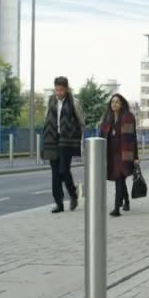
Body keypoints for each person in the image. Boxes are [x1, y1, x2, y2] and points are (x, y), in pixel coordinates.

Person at [42, 76, 84, 213]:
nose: (58, 93)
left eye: (61, 90)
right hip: (52, 139)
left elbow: (81, 121)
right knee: (55, 173)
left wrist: (78, 137)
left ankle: (73, 195)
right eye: (57, 90)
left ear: (66, 89)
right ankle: (59, 204)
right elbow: (47, 117)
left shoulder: (74, 102)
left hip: (67, 140)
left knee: (63, 170)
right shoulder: (51, 100)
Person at [99, 93, 139, 217]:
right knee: (119, 179)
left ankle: (117, 208)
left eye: (116, 102)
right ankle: (126, 201)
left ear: (121, 104)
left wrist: (135, 157)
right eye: (112, 102)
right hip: (111, 154)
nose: (114, 104)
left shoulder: (128, 117)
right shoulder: (107, 117)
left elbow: (132, 138)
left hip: (124, 153)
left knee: (119, 178)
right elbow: (102, 135)